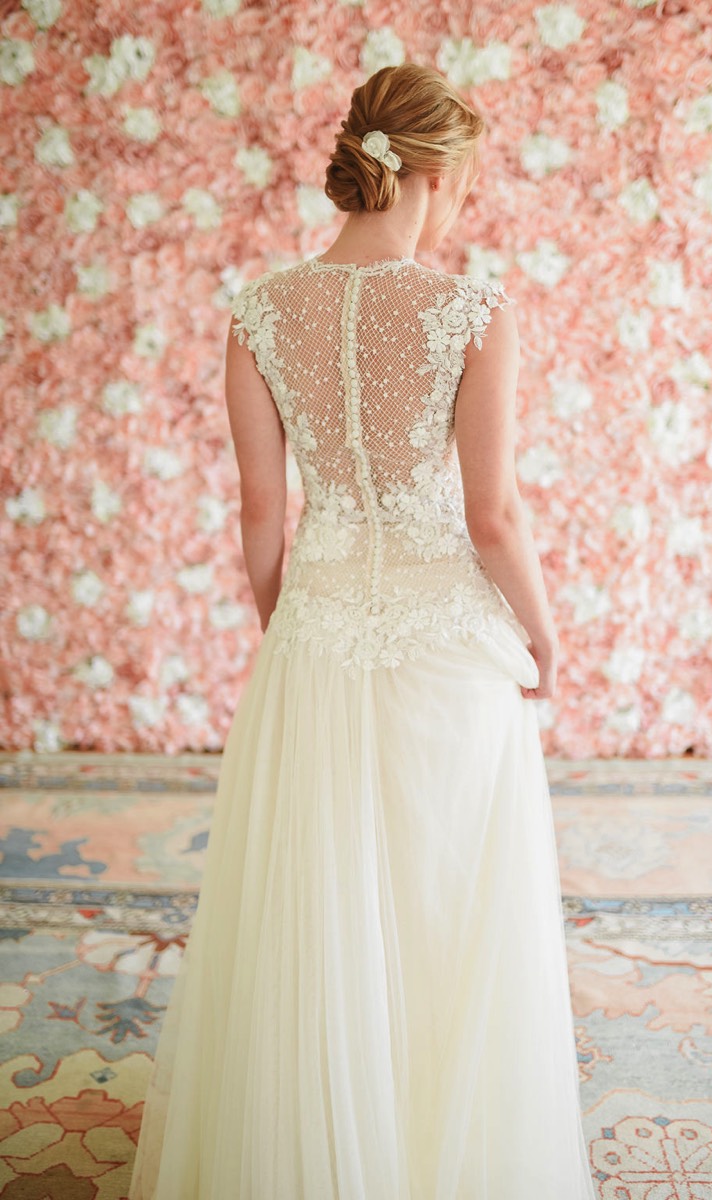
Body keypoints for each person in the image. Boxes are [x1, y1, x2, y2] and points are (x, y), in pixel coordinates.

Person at [128, 62, 596, 1200]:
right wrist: (542, 638)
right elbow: (492, 515)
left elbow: (257, 510)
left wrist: (285, 631)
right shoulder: (468, 311)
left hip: (316, 637)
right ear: (432, 175)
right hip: (441, 645)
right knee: (446, 904)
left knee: (318, 912)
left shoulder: (258, 310)